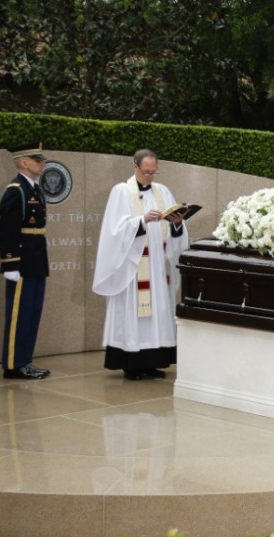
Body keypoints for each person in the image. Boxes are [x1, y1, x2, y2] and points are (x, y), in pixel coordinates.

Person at [92, 149, 190, 380]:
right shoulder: (121, 191)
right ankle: (131, 364)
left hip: (155, 266)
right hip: (132, 267)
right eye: (146, 172)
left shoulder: (162, 191)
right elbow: (114, 231)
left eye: (154, 172)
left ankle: (151, 361)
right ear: (135, 167)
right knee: (132, 315)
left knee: (157, 313)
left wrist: (177, 224)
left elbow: (175, 233)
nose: (150, 176)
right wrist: (142, 221)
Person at [0, 141, 51, 380]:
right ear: (24, 162)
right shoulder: (16, 190)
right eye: (37, 160)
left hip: (36, 260)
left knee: (32, 313)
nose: (42, 163)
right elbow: (7, 230)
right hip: (22, 262)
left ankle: (25, 361)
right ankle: (14, 365)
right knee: (19, 314)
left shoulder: (34, 189)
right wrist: (10, 263)